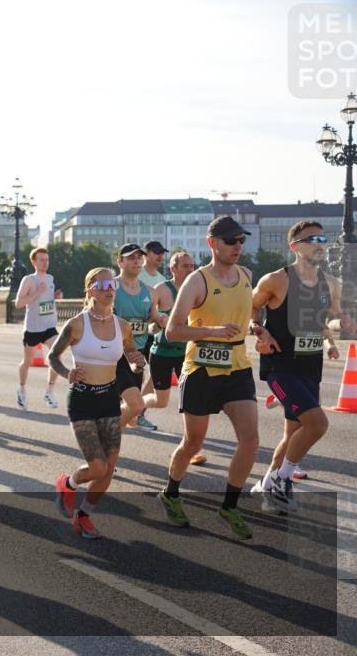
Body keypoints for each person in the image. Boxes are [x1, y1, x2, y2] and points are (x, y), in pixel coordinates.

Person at [158, 216, 269, 540]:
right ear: (212, 243)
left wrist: (257, 330)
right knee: (193, 442)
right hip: (202, 369)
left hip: (237, 367)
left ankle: (229, 507)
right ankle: (171, 493)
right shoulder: (197, 281)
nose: (237, 246)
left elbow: (248, 316)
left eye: (241, 241)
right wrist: (211, 331)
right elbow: (173, 330)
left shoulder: (247, 275)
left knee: (250, 440)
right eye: (231, 241)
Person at [249, 220, 355, 513]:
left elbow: (329, 318)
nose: (320, 243)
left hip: (311, 368)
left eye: (323, 238)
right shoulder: (276, 280)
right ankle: (282, 483)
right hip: (281, 366)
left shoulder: (330, 284)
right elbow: (252, 305)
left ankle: (267, 484)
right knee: (317, 423)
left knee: (292, 433)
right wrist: (258, 329)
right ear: (294, 246)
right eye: (312, 239)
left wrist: (343, 323)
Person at [49, 268, 145, 538]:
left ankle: (84, 516)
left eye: (112, 283)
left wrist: (138, 366)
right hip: (82, 400)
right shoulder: (77, 324)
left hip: (108, 400)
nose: (109, 288)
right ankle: (67, 483)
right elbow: (53, 356)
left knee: (109, 469)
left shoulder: (123, 327)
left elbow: (131, 359)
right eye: (103, 283)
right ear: (90, 289)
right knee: (97, 467)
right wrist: (67, 373)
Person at [141, 252, 206, 461]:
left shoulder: (197, 289)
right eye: (185, 266)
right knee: (161, 401)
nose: (190, 269)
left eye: (192, 265)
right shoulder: (161, 290)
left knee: (192, 400)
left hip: (186, 353)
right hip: (161, 353)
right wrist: (157, 322)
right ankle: (135, 407)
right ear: (173, 269)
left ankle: (192, 447)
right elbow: (148, 325)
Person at [112, 244, 167, 430]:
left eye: (139, 257)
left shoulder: (150, 292)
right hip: (114, 354)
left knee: (131, 412)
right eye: (131, 257)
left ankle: (109, 430)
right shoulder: (111, 287)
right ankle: (106, 435)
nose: (136, 261)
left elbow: (151, 325)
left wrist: (160, 322)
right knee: (128, 404)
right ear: (120, 262)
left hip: (137, 355)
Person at [14, 248, 63, 410]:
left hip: (49, 326)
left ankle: (49, 391)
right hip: (33, 329)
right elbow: (19, 303)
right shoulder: (29, 280)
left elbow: (46, 300)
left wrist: (55, 297)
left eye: (47, 260)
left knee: (56, 356)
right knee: (27, 362)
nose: (45, 262)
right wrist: (37, 292)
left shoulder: (50, 278)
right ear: (34, 262)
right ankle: (21, 389)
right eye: (41, 260)